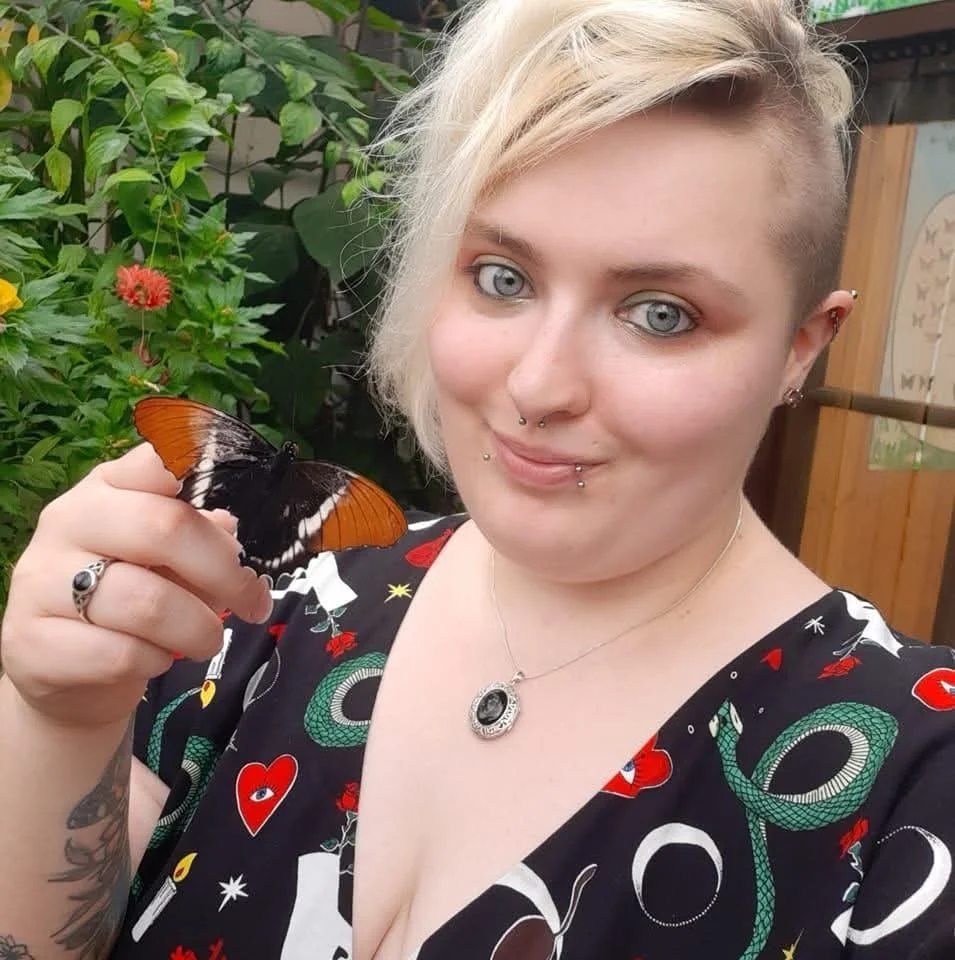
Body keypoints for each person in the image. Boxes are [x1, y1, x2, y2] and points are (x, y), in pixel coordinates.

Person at [3, 0, 955, 957]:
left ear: (801, 347)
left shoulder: (907, 785)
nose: (537, 385)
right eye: (503, 277)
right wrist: (60, 722)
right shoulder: (268, 605)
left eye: (660, 313)